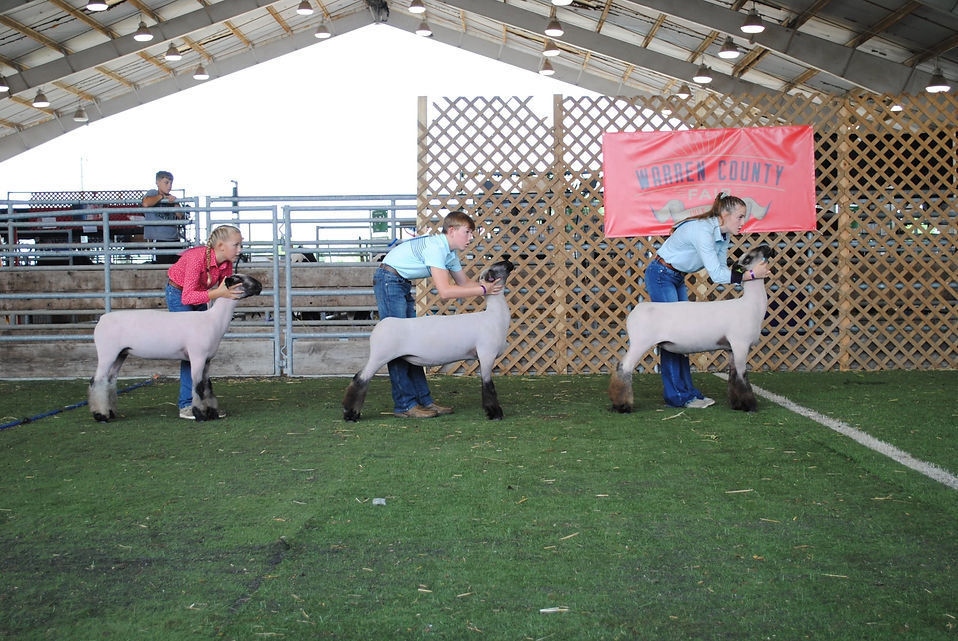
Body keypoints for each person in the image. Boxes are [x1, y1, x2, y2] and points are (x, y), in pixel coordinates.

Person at [645, 192, 771, 409]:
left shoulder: (722, 236)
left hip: (675, 276)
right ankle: (677, 396)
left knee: (683, 334)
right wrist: (751, 275)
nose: (744, 222)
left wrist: (746, 274)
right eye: (740, 217)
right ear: (724, 214)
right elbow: (715, 274)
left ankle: (687, 392)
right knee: (671, 335)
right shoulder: (703, 231)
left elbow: (723, 271)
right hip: (661, 274)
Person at [374, 210, 504, 418]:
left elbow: (464, 284)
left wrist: (486, 287)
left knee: (411, 345)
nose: (471, 238)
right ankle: (405, 405)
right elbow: (445, 292)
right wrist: (482, 290)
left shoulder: (450, 254)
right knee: (397, 345)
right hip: (389, 280)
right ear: (451, 231)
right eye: (467, 232)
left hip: (400, 283)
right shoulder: (436, 248)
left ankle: (424, 401)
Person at [166, 225, 245, 420]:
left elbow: (222, 289)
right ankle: (187, 403)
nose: (240, 250)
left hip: (201, 295)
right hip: (179, 293)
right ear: (220, 245)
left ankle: (205, 402)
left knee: (203, 352)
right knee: (192, 352)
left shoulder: (226, 263)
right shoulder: (197, 258)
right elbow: (188, 296)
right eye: (236, 245)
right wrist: (218, 293)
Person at [142, 170, 188, 264]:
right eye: (166, 183)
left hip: (175, 239)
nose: (169, 186)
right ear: (157, 183)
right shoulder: (152, 193)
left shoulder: (171, 198)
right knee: (163, 267)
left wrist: (175, 202)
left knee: (179, 267)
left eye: (171, 183)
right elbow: (146, 203)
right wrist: (162, 197)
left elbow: (180, 216)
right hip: (159, 240)